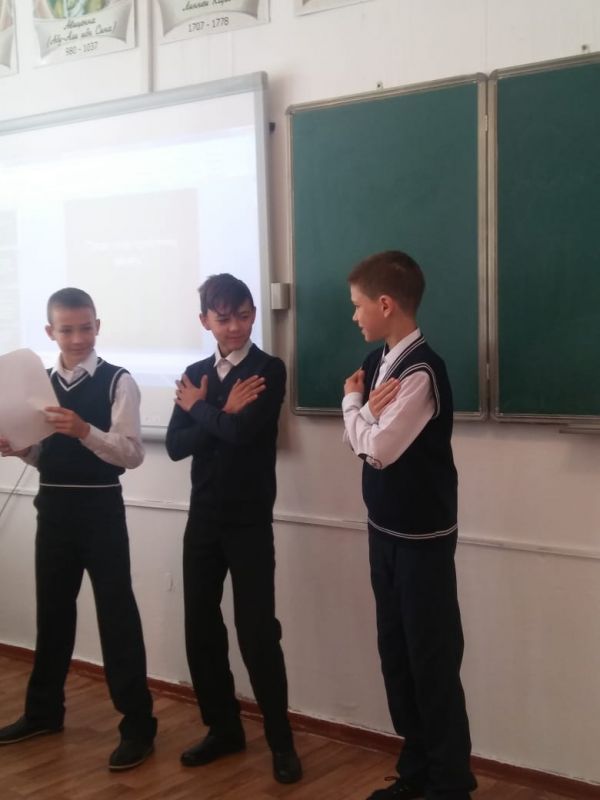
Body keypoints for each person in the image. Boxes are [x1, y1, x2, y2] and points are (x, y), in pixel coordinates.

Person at [0, 287, 156, 771]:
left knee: (117, 617)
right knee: (52, 615)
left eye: (86, 327)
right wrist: (19, 449)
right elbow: (45, 454)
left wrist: (84, 430)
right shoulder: (40, 383)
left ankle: (138, 727)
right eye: (67, 329)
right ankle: (43, 713)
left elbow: (132, 454)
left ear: (97, 326)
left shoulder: (118, 381)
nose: (78, 337)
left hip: (101, 511)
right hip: (54, 509)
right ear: (51, 332)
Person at [342, 251, 476, 800]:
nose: (354, 316)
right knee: (396, 657)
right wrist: (365, 414)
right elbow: (361, 440)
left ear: (385, 304)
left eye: (358, 306)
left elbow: (376, 451)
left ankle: (449, 782)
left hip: (422, 541)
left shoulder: (420, 371)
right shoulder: (376, 362)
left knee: (431, 661)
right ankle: (416, 768)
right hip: (384, 533)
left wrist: (354, 405)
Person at [165, 273, 302, 785]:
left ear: (253, 314)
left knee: (257, 632)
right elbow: (175, 446)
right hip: (202, 519)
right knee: (201, 628)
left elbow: (243, 434)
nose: (235, 327)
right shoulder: (195, 373)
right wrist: (217, 411)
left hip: (248, 521)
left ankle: (281, 742)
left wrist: (200, 410)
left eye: (244, 315)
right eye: (223, 318)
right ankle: (223, 729)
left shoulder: (268, 369)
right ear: (205, 321)